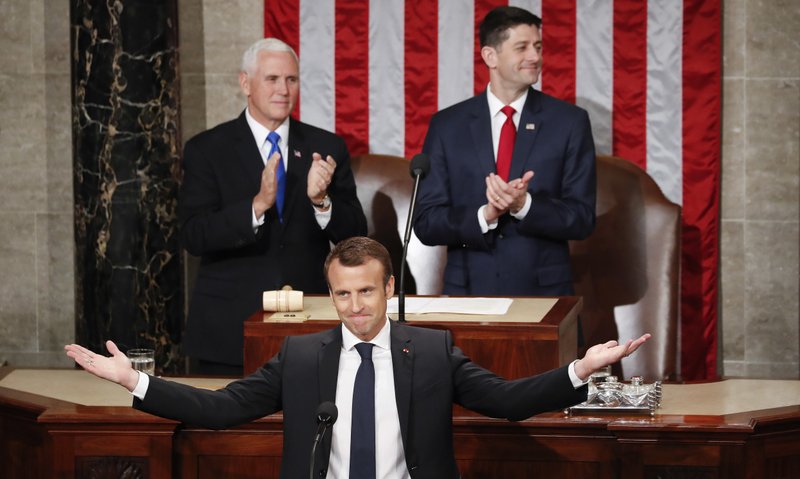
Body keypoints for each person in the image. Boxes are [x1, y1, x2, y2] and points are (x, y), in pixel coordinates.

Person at [65, 237, 650, 479]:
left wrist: (580, 370)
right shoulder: (298, 358)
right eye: (342, 293)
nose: (354, 305)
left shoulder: (430, 350)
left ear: (389, 289)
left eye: (365, 291)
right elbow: (220, 410)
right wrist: (135, 381)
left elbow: (506, 401)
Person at [179, 38, 367, 375]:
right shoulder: (207, 149)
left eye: (291, 79)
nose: (284, 89)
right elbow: (194, 235)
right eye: (272, 79)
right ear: (245, 83)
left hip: (310, 323)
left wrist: (321, 201)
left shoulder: (326, 147)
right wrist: (256, 206)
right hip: (229, 330)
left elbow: (356, 233)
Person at [413, 6, 596, 296]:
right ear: (490, 56)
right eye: (522, 47)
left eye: (537, 46)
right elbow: (426, 222)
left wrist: (524, 205)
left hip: (544, 296)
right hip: (469, 293)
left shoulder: (569, 122)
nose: (535, 57)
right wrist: (485, 214)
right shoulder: (448, 126)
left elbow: (582, 217)